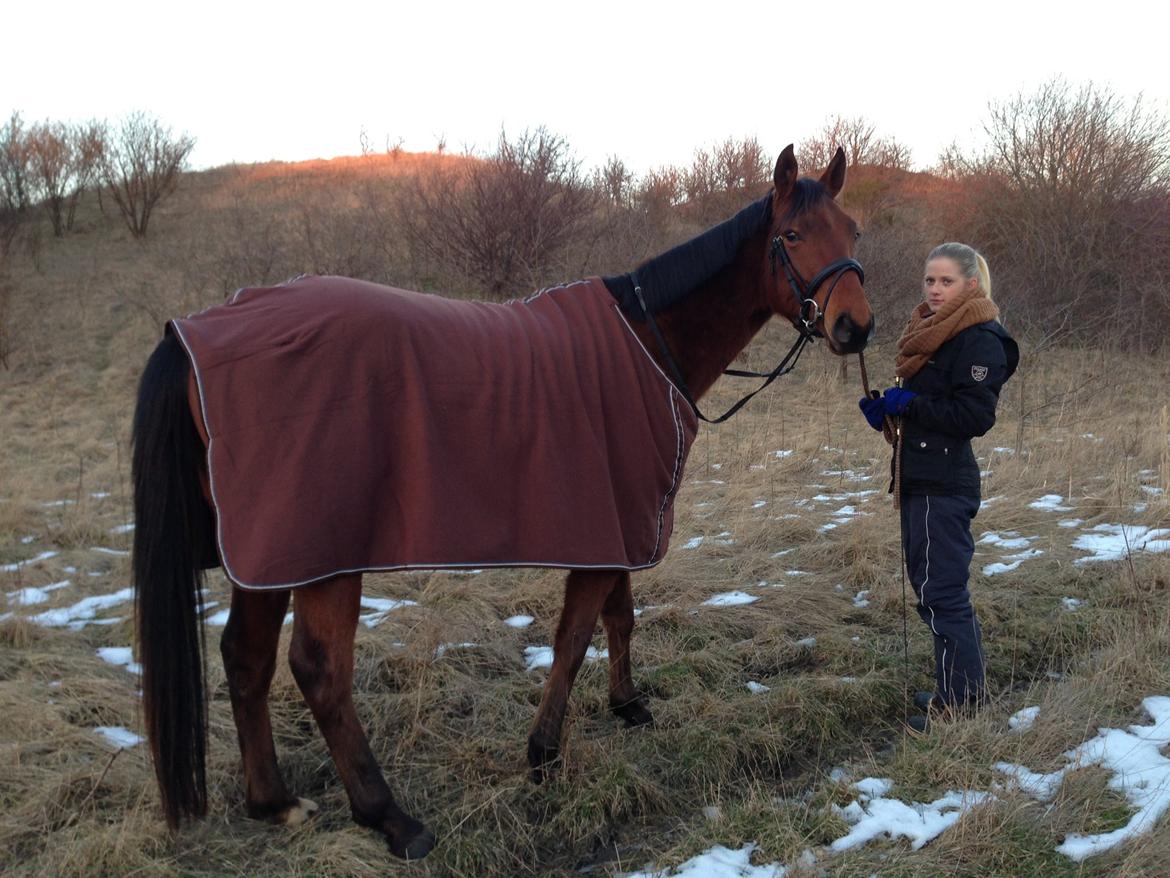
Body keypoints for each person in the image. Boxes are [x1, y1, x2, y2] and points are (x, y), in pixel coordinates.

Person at [859, 242, 1019, 731]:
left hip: (944, 485)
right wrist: (887, 412)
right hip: (920, 478)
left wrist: (911, 406)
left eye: (946, 281)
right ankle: (959, 689)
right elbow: (929, 406)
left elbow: (974, 416)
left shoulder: (978, 340)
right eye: (930, 280)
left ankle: (960, 707)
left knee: (942, 592)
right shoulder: (930, 333)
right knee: (933, 588)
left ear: (971, 284)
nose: (934, 289)